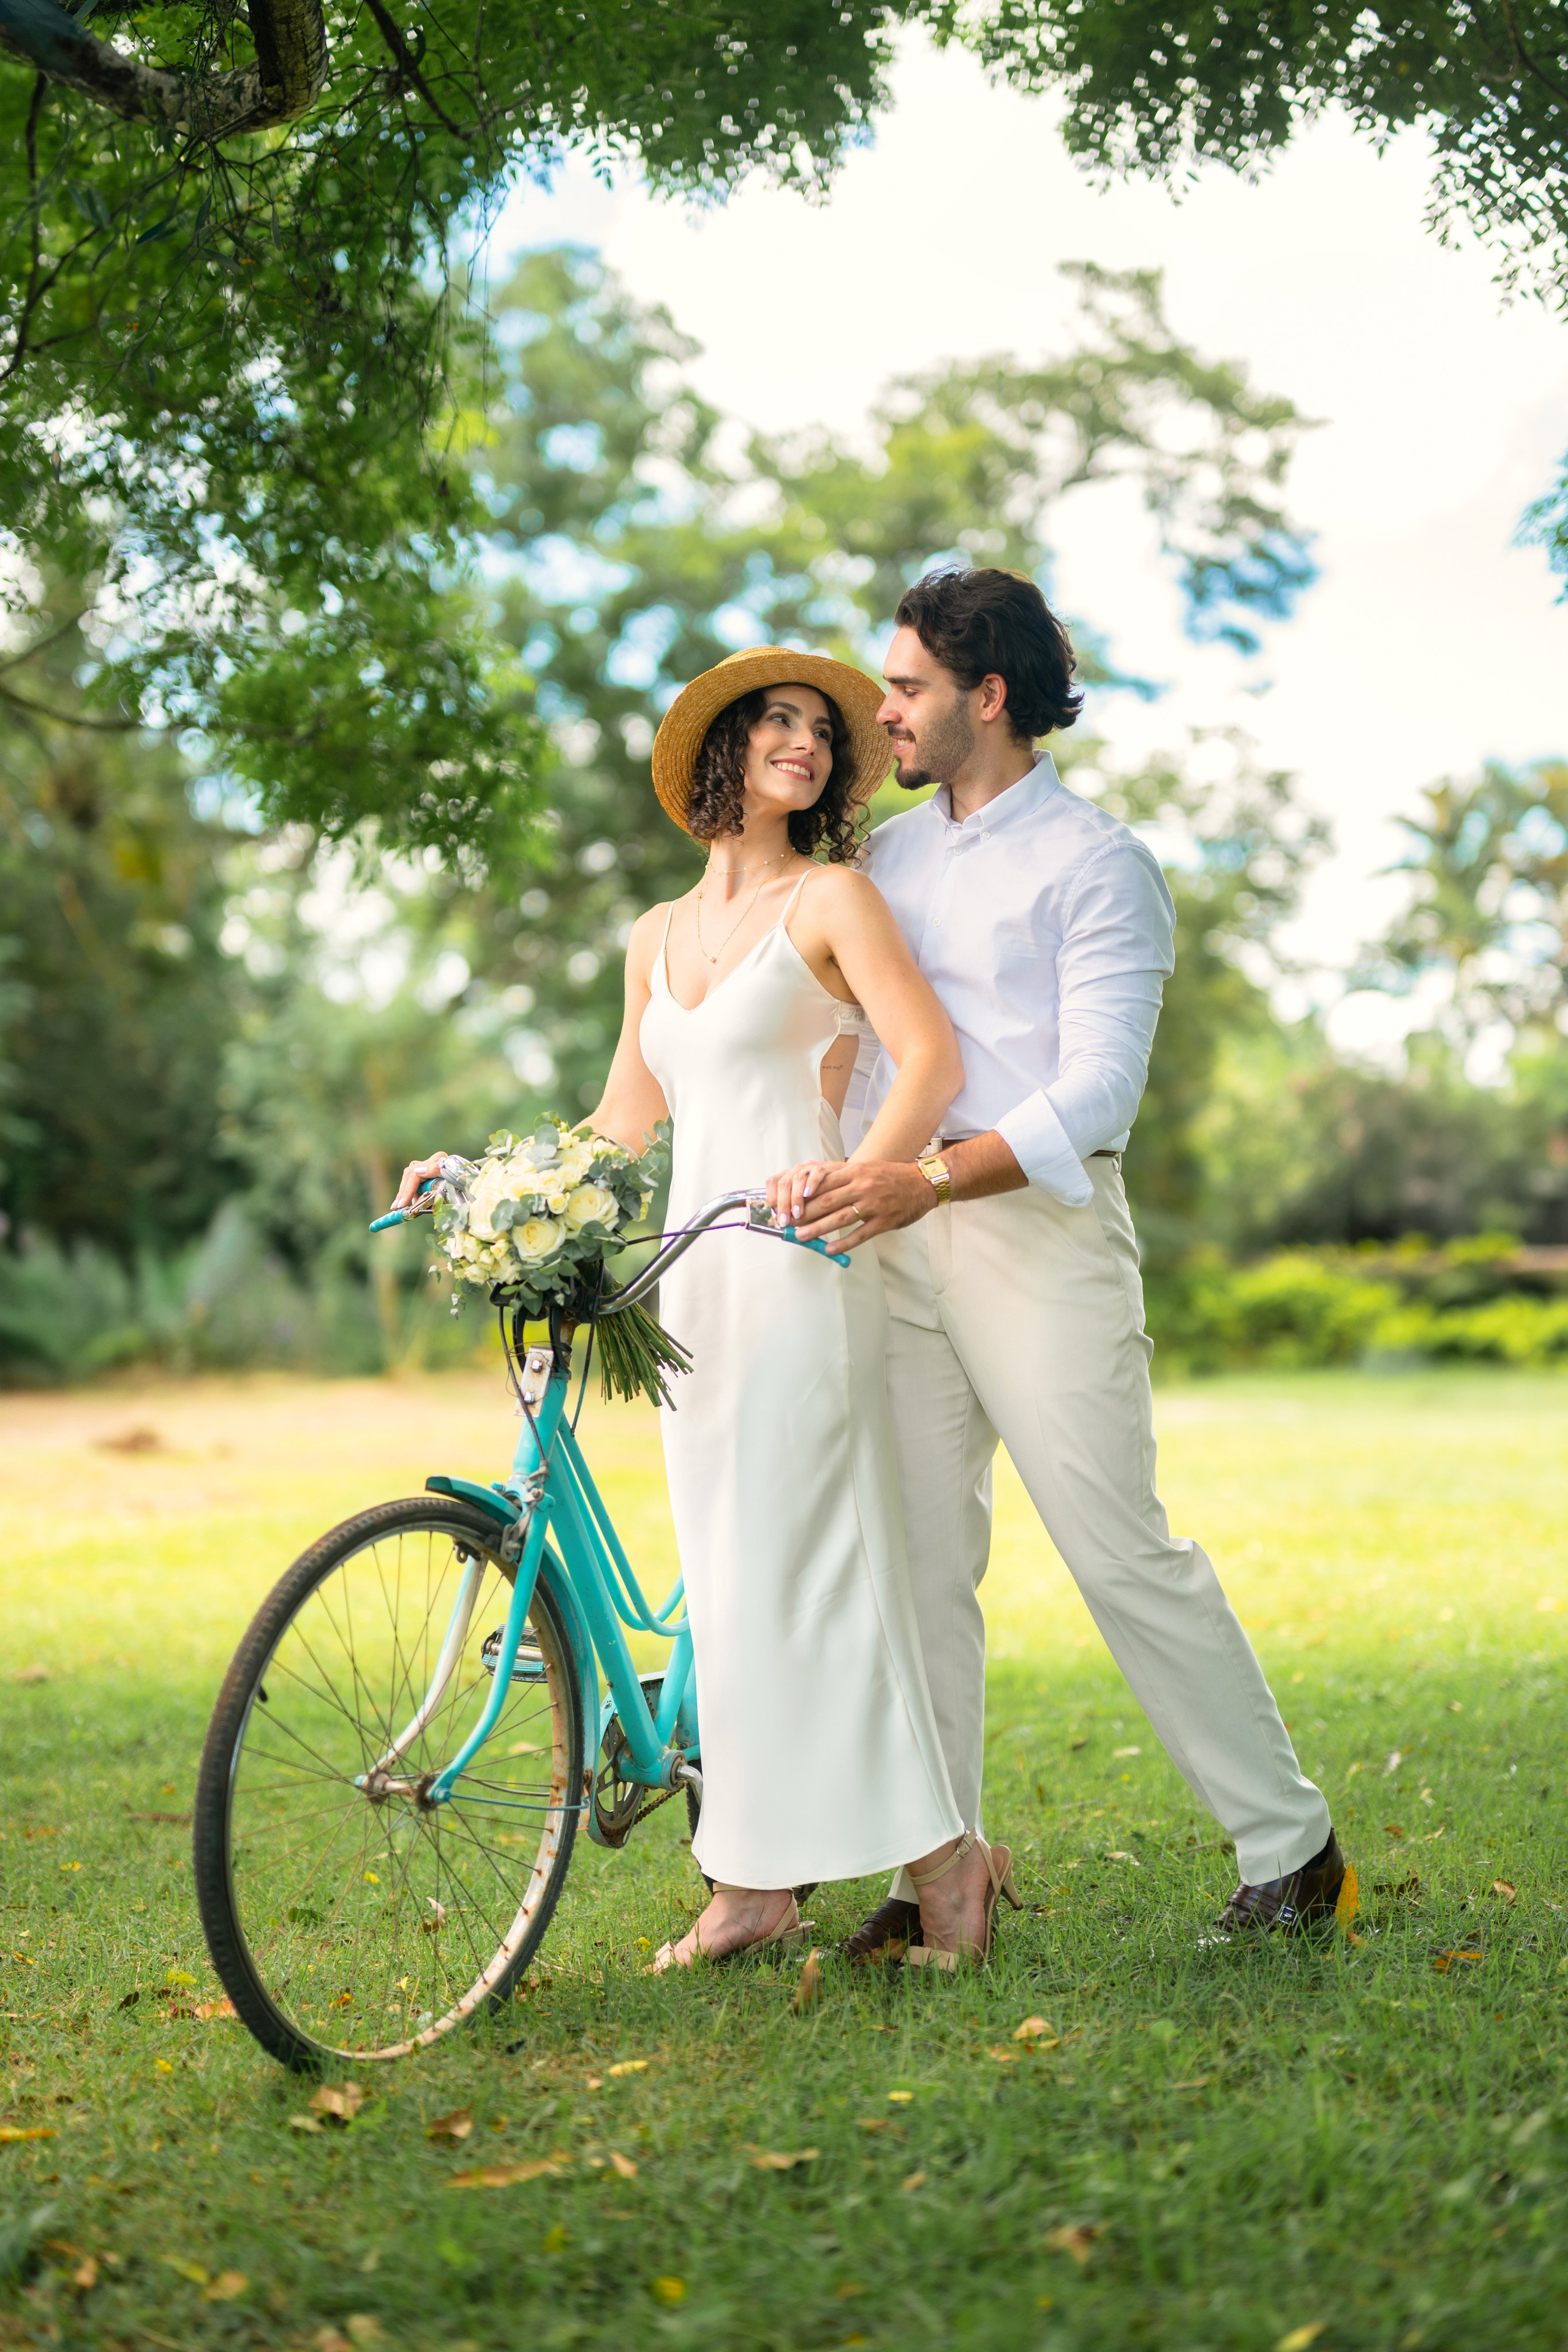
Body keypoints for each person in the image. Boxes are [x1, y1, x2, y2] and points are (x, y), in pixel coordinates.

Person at [394, 646, 1019, 1969]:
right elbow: (624, 1124)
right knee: (729, 1582)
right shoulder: (654, 937)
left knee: (809, 1567)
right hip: (689, 1283)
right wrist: (483, 1176)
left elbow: (931, 1060)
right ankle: (752, 1884)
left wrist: (862, 1176)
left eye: (820, 732)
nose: (807, 742)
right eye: (777, 722)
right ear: (721, 754)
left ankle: (946, 1865)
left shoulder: (832, 899)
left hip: (801, 1267)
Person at [776, 568, 1353, 1955]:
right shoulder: (889, 862)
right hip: (894, 1235)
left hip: (1034, 1229)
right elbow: (863, 1056)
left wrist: (926, 1179)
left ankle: (1292, 1851)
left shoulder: (1103, 865)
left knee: (1118, 1550)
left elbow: (1098, 1092)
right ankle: (939, 1875)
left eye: (907, 687)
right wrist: (833, 1168)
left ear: (989, 696)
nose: (881, 711)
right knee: (912, 1563)